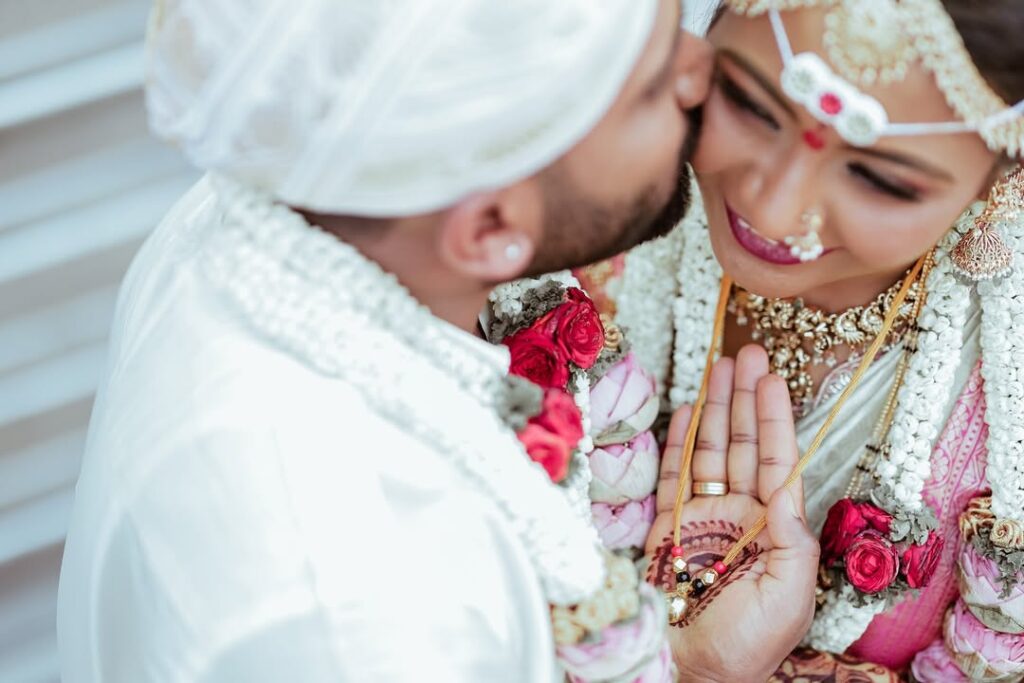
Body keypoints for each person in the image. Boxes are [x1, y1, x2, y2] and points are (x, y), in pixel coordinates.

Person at [56, 1, 821, 681]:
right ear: (489, 229)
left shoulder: (280, 203)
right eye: (650, 87)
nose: (703, 72)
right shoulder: (350, 610)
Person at [579, 0, 1024, 679]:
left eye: (879, 178)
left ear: (1004, 178)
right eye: (751, 105)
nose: (773, 207)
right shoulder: (565, 204)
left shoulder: (1007, 393)